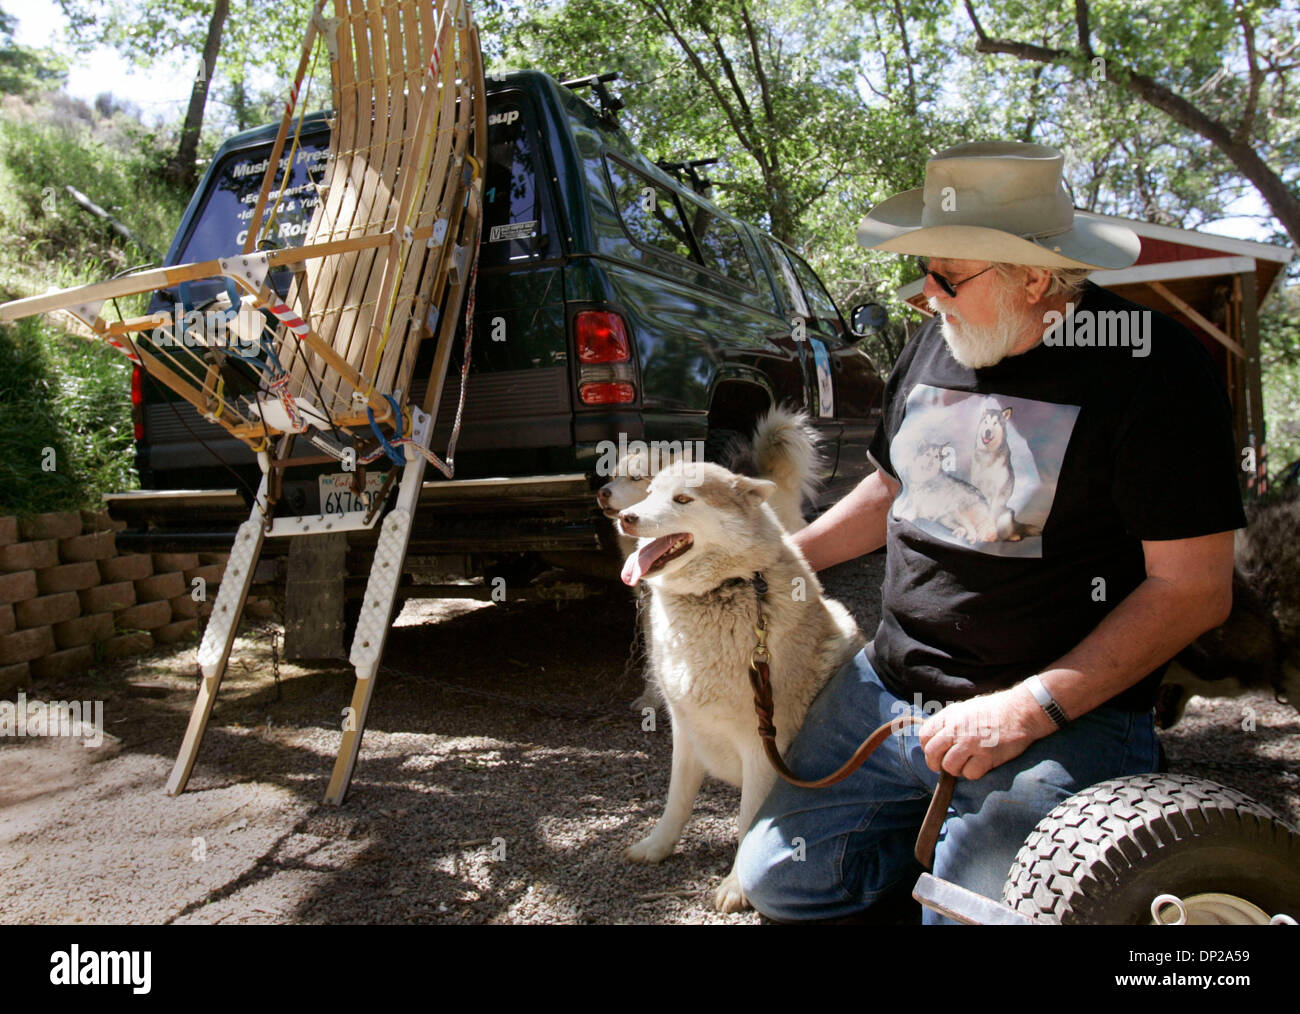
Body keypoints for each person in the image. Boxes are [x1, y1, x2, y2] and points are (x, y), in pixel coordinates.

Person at [734, 141, 1247, 923]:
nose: (925, 295)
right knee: (780, 882)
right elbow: (891, 486)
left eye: (947, 276)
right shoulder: (939, 337)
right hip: (888, 692)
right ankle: (932, 842)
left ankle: (1020, 832)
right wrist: (783, 561)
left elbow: (1195, 588)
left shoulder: (1154, 369)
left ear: (1035, 277)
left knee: (976, 918)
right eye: (927, 271)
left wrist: (1026, 709)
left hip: (1053, 711)